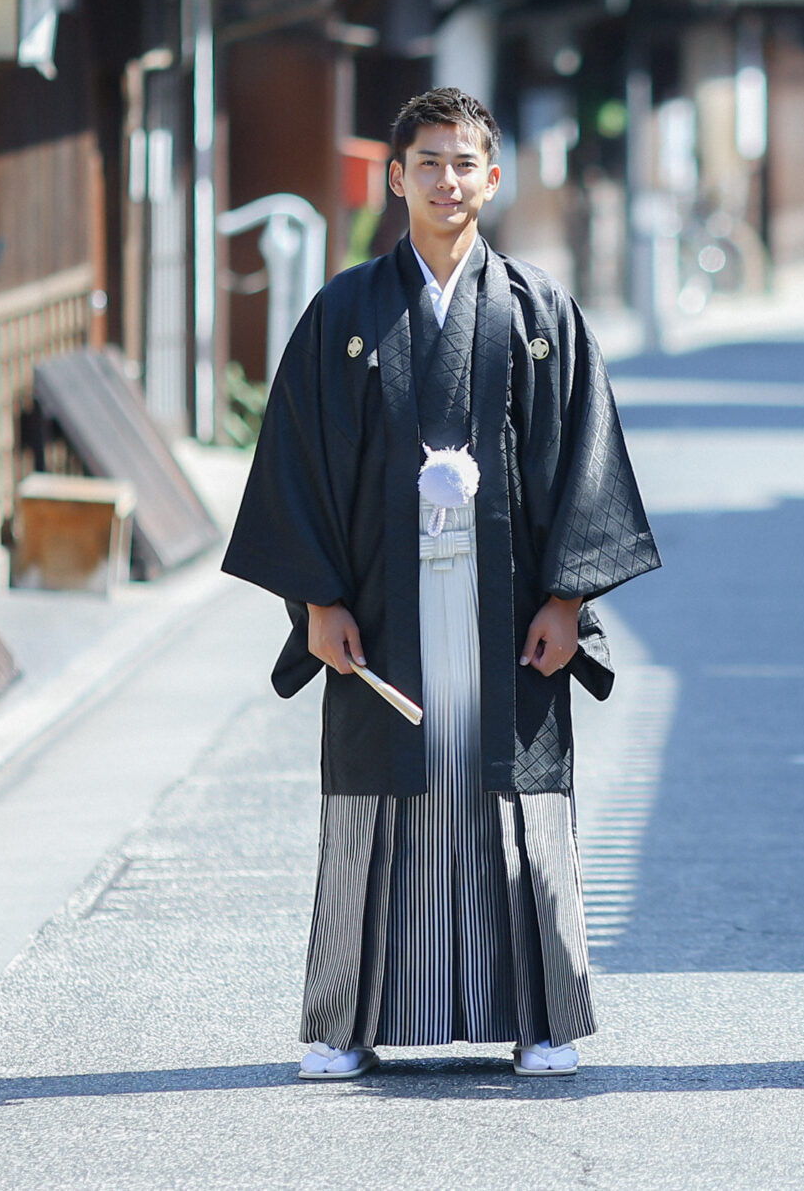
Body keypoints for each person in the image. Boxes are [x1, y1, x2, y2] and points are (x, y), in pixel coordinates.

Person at [224, 87, 660, 1081]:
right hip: (380, 601)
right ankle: (346, 1023)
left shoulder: (538, 311)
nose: (448, 181)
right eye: (428, 163)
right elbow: (297, 462)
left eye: (465, 164)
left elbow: (580, 462)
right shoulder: (344, 311)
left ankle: (541, 1020)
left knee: (514, 798)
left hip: (510, 606)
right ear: (397, 177)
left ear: (491, 179)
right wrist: (317, 604)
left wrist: (567, 599)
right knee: (377, 806)